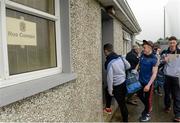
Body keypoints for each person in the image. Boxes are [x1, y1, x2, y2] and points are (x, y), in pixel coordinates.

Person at [104, 43, 130, 122]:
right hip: (123, 83)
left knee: (122, 104)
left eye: (104, 52)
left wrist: (110, 90)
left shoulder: (109, 62)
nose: (104, 54)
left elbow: (109, 78)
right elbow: (128, 66)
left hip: (117, 86)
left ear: (106, 51)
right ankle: (108, 108)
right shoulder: (120, 58)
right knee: (107, 89)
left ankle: (125, 120)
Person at [138, 40, 158, 122]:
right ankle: (148, 106)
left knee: (147, 99)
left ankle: (147, 114)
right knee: (139, 95)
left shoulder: (154, 59)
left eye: (145, 47)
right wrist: (135, 70)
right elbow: (139, 64)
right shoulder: (142, 55)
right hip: (140, 81)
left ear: (150, 48)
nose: (143, 49)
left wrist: (148, 85)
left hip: (148, 83)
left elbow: (154, 74)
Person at [161, 36, 180, 122]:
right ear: (169, 43)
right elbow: (161, 62)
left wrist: (171, 57)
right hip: (167, 76)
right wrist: (162, 61)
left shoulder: (179, 52)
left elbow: (173, 58)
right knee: (167, 94)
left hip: (176, 77)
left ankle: (177, 114)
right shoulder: (165, 52)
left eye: (173, 42)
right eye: (170, 42)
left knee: (176, 96)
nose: (172, 44)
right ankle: (167, 106)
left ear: (176, 43)